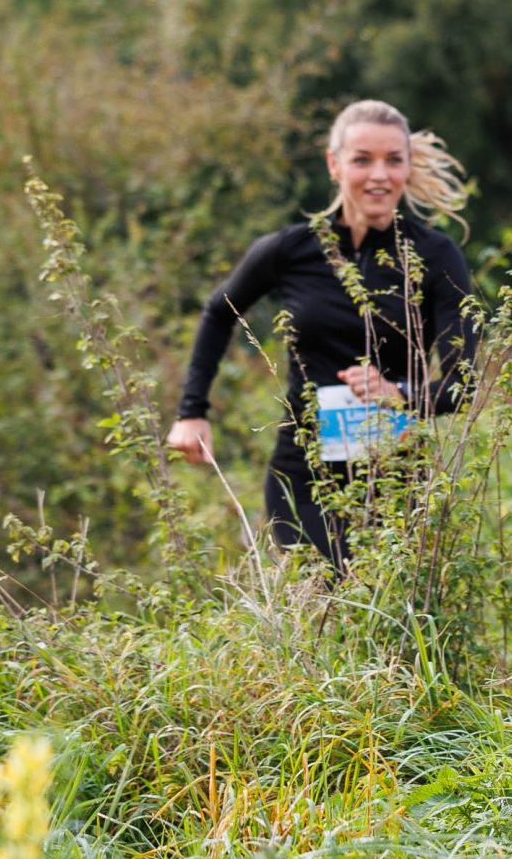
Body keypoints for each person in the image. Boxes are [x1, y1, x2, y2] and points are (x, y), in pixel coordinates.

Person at [165, 101, 477, 568]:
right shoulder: (291, 250)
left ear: (408, 168)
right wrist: (192, 411)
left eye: (394, 159)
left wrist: (399, 394)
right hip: (302, 474)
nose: (379, 175)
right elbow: (218, 311)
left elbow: (463, 384)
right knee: (323, 603)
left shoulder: (436, 256)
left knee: (387, 617)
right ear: (334, 165)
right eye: (362, 159)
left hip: (396, 477)